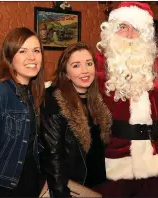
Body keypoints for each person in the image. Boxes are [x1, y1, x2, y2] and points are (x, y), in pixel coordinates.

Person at [95, 2, 158, 197]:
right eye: (123, 27)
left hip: (155, 157)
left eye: (136, 29)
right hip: (114, 156)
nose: (129, 35)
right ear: (112, 29)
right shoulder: (96, 61)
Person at [0, 27, 46, 197]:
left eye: (36, 50)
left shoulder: (33, 92)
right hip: (5, 189)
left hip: (30, 184)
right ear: (10, 57)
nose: (32, 57)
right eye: (22, 51)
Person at [40, 42, 112, 197]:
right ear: (66, 73)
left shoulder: (96, 101)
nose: (85, 71)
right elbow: (53, 158)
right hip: (72, 187)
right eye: (76, 65)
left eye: (89, 63)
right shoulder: (54, 102)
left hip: (98, 184)